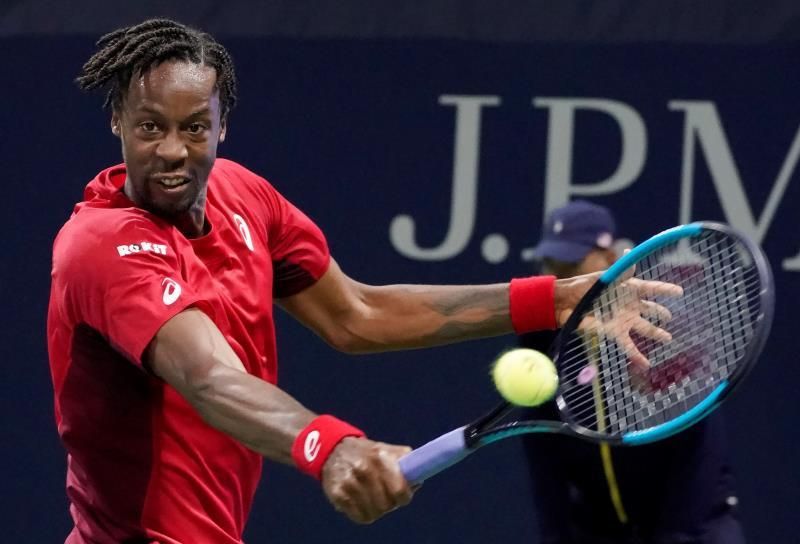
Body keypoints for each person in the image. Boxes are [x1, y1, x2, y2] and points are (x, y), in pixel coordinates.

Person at [46, 19, 677, 544]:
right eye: (149, 126)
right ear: (118, 124)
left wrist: (556, 298)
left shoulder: (246, 197)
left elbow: (357, 315)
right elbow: (210, 377)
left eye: (194, 127)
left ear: (221, 126)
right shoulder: (102, 246)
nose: (173, 151)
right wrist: (330, 447)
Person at [519, 200, 745, 544]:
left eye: (573, 264)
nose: (563, 278)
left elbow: (699, 447)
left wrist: (677, 537)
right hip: (603, 531)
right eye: (554, 265)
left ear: (612, 258)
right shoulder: (541, 342)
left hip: (693, 528)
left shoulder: (661, 325)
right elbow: (544, 457)